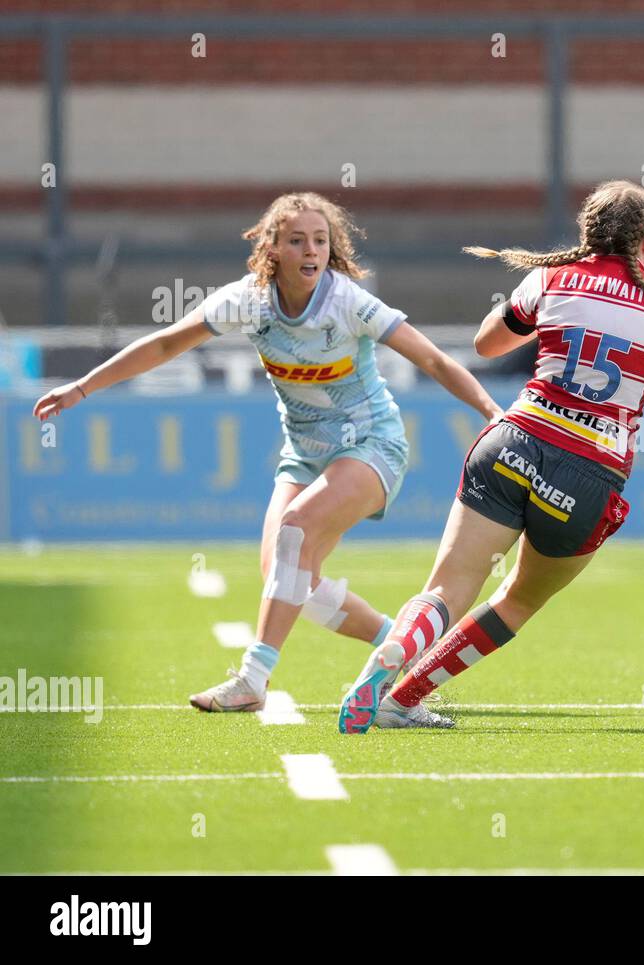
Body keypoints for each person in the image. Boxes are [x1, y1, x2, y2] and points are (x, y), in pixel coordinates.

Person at [33, 192, 502, 712]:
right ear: (272, 247)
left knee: (295, 531)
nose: (311, 250)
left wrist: (488, 410)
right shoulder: (249, 300)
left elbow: (434, 361)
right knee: (290, 578)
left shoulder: (347, 302)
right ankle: (402, 645)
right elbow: (166, 344)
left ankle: (253, 679)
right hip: (303, 453)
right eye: (297, 239)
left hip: (372, 445)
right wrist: (81, 388)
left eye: (320, 241)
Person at [337, 180, 644, 733]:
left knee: (445, 590)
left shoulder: (551, 276)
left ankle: (390, 656)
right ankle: (404, 696)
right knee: (517, 601)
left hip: (514, 442)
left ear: (587, 233)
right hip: (587, 475)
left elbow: (487, 344)